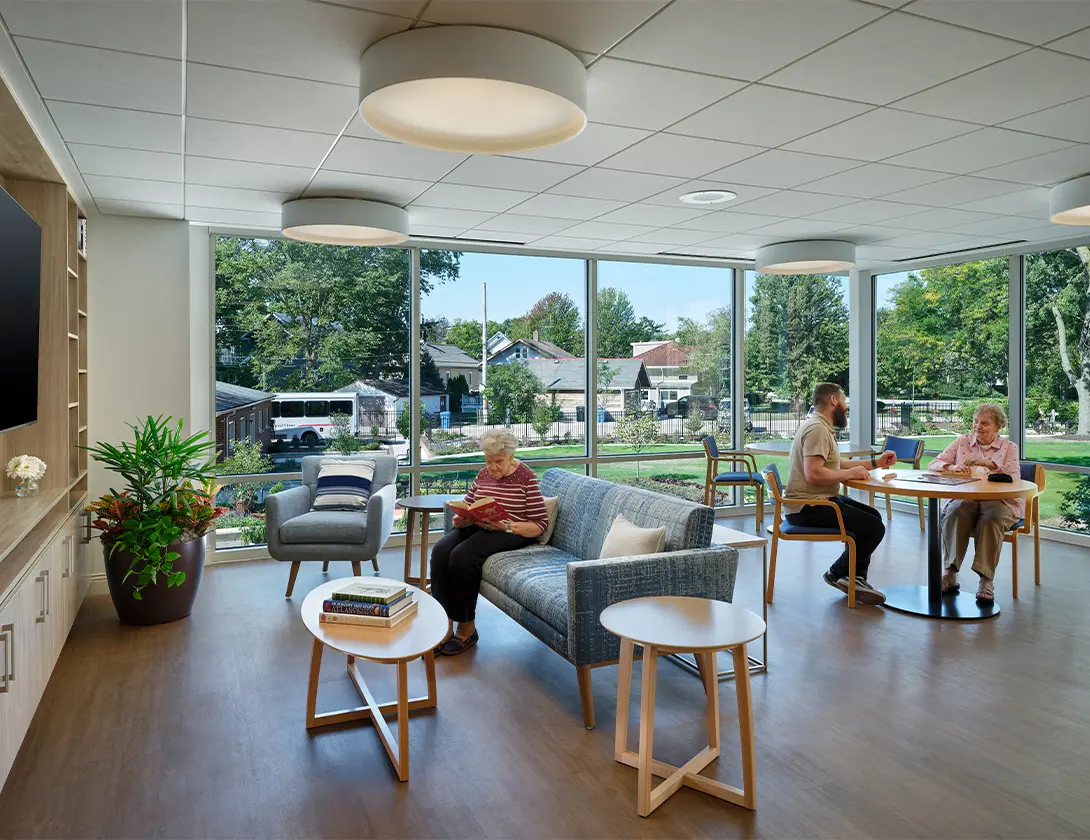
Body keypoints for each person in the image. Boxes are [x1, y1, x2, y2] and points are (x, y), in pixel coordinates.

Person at [430, 429, 548, 655]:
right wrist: (461, 517)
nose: (492, 467)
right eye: (489, 461)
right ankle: (444, 626)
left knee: (462, 556)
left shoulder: (527, 478)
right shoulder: (483, 474)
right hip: (479, 525)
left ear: (511, 456)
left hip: (510, 531)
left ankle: (467, 629)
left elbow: (540, 524)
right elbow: (468, 503)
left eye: (498, 461)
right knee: (440, 550)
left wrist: (507, 526)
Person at [784, 383, 897, 605]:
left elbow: (837, 464)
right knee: (874, 528)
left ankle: (855, 578)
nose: (846, 407)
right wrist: (848, 475)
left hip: (815, 502)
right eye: (844, 401)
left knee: (873, 517)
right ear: (833, 400)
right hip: (807, 508)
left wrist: (876, 462)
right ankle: (837, 573)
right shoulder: (817, 430)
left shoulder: (819, 426)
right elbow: (813, 473)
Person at [928, 402, 1021, 603]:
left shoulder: (1009, 447)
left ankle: (986, 580)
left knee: (991, 517)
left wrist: (986, 463)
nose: (978, 426)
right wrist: (952, 467)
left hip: (999, 500)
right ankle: (949, 574)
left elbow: (1012, 476)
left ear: (998, 426)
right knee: (955, 510)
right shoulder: (962, 442)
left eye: (985, 423)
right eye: (976, 421)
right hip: (966, 497)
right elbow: (934, 463)